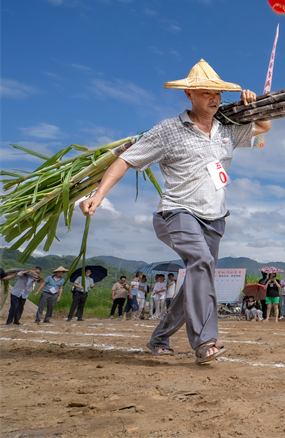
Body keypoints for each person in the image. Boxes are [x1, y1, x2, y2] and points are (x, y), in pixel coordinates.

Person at [80, 59, 271, 363]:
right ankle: (205, 342)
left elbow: (263, 128)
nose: (214, 98)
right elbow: (126, 160)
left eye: (218, 93)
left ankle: (160, 337)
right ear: (189, 94)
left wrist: (255, 104)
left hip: (215, 219)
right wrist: (98, 195)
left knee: (200, 275)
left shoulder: (226, 130)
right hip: (177, 214)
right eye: (207, 92)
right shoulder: (168, 130)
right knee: (201, 261)